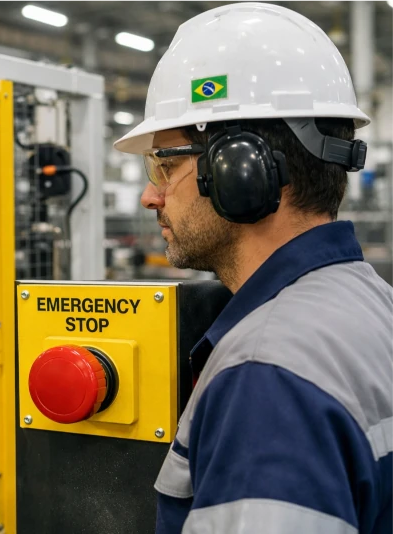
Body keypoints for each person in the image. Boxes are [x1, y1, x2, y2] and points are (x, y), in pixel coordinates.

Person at [114, 3, 393, 534]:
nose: (151, 196)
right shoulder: (371, 299)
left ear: (241, 168)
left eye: (164, 166)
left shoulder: (267, 376)